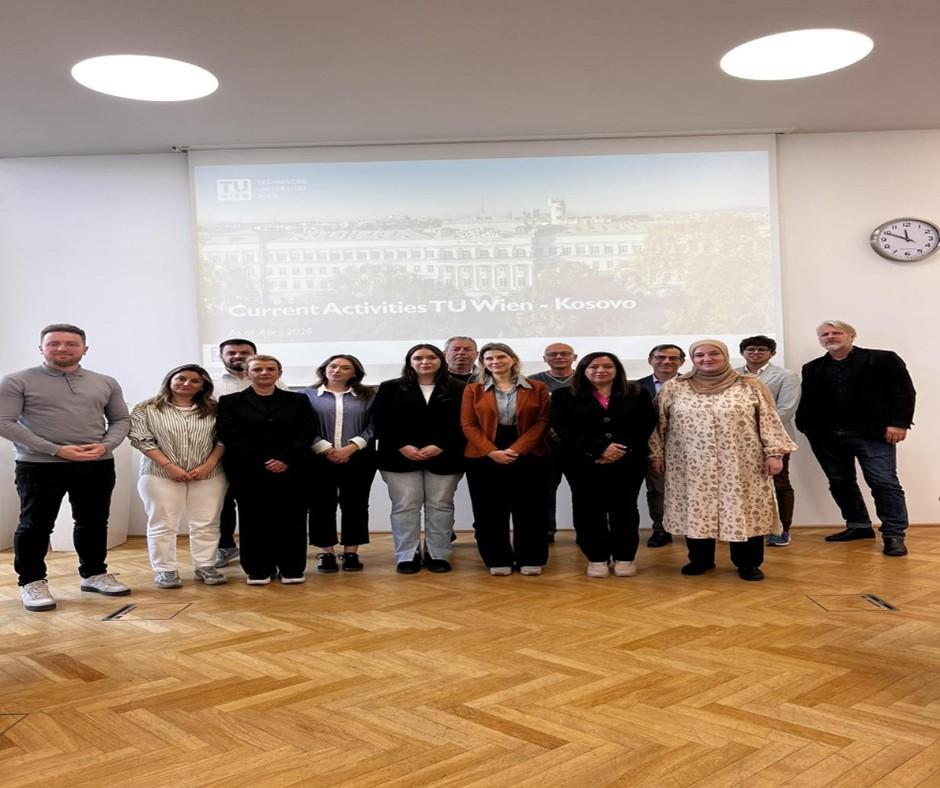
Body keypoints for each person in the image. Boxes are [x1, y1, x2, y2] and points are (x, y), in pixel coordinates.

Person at [0, 323, 131, 612]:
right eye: (54, 343)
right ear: (41, 348)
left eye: (71, 344)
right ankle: (31, 581)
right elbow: (4, 422)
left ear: (85, 349)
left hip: (96, 463)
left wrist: (106, 446)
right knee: (35, 525)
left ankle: (94, 573)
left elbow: (121, 420)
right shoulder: (16, 380)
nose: (62, 348)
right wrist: (56, 449)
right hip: (39, 465)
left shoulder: (105, 382)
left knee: (93, 522)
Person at [648, 340, 797, 581]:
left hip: (742, 463)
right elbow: (658, 425)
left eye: (713, 353)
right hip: (690, 464)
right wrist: (655, 454)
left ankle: (748, 563)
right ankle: (700, 559)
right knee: (697, 509)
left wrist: (775, 453)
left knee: (744, 509)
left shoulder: (749, 385)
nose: (706, 359)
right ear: (692, 359)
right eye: (699, 355)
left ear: (725, 355)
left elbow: (769, 420)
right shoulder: (675, 387)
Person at [795, 321, 915, 557]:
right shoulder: (812, 368)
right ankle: (858, 525)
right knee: (840, 481)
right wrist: (806, 428)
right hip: (827, 437)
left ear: (851, 335)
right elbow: (808, 400)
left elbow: (904, 392)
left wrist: (899, 423)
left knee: (883, 483)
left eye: (836, 332)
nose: (830, 336)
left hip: (873, 434)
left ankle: (894, 535)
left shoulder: (883, 359)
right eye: (824, 334)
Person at [551, 353, 656, 577]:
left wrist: (619, 450)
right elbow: (563, 428)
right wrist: (598, 449)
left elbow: (645, 425)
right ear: (583, 370)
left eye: (607, 366)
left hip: (628, 461)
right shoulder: (563, 395)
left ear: (617, 370)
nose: (600, 370)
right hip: (582, 462)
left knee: (625, 509)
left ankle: (624, 557)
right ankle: (596, 558)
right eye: (594, 366)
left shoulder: (638, 393)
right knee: (588, 510)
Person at [216, 355, 315, 584]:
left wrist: (285, 458)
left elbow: (307, 430)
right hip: (249, 470)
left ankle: (291, 568)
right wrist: (263, 459)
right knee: (253, 520)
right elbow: (229, 434)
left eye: (270, 369)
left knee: (292, 519)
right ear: (247, 373)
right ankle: (258, 568)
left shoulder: (298, 400)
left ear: (279, 373)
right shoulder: (230, 401)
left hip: (292, 469)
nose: (264, 373)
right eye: (257, 369)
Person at [129, 364, 227, 588]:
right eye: (181, 378)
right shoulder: (146, 407)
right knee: (163, 523)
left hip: (208, 474)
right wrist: (169, 466)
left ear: (203, 386)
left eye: (195, 381)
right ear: (170, 380)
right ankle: (165, 570)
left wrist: (209, 465)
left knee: (206, 522)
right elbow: (140, 439)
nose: (187, 383)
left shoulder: (215, 409)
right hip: (160, 474)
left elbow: (224, 439)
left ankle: (205, 565)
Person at [373, 344, 466, 573]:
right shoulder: (390, 387)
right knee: (405, 506)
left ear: (441, 360)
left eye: (431, 357)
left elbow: (465, 422)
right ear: (410, 362)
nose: (425, 362)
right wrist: (402, 446)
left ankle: (438, 554)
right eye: (418, 358)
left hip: (446, 456)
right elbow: (380, 421)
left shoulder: (460, 387)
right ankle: (407, 555)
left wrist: (441, 445)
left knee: (441, 506)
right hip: (399, 457)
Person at [461, 342, 551, 575]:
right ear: (483, 363)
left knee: (531, 509)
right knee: (489, 510)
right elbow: (469, 425)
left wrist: (517, 450)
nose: (495, 362)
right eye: (489, 359)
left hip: (529, 453)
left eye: (501, 357)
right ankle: (497, 558)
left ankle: (531, 557)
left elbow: (542, 422)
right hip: (483, 454)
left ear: (513, 359)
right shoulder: (473, 389)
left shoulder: (537, 387)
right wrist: (491, 451)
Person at [303, 354, 377, 573]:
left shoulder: (368, 395)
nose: (337, 370)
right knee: (321, 505)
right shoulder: (306, 395)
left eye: (345, 368)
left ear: (354, 373)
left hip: (358, 458)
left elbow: (375, 425)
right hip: (318, 459)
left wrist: (351, 447)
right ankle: (326, 553)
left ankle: (351, 552)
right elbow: (302, 426)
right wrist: (325, 448)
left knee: (356, 505)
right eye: (333, 366)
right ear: (324, 369)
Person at [737, 335, 801, 547]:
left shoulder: (786, 376)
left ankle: (783, 529)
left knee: (779, 482)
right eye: (751, 349)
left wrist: (757, 431)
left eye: (761, 349)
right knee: (743, 484)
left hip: (775, 438)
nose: (755, 353)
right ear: (742, 353)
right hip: (740, 441)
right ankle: (749, 527)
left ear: (772, 353)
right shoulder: (733, 375)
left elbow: (786, 409)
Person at [212, 337, 257, 569]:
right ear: (221, 356)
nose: (238, 356)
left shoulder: (273, 381)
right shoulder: (211, 385)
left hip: (261, 454)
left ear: (253, 354)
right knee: (223, 502)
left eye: (244, 352)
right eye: (232, 353)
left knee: (257, 503)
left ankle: (259, 547)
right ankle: (226, 546)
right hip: (221, 452)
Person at [635, 344, 685, 548]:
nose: (666, 361)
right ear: (650, 360)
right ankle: (661, 530)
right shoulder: (635, 387)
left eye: (673, 358)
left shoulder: (694, 384)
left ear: (682, 362)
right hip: (649, 447)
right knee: (657, 490)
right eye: (660, 357)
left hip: (688, 448)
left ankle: (697, 531)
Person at [528, 341, 578, 542]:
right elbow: (528, 412)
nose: (559, 357)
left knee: (583, 492)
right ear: (545, 358)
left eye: (565, 353)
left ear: (574, 357)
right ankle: (547, 531)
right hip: (544, 446)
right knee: (544, 492)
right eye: (553, 354)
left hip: (578, 446)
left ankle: (585, 531)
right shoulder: (532, 381)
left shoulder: (585, 379)